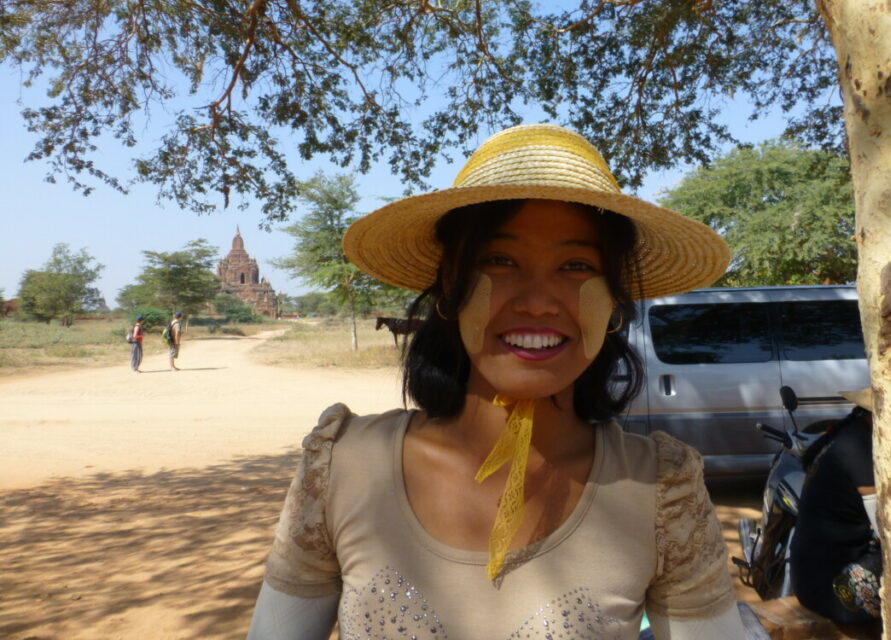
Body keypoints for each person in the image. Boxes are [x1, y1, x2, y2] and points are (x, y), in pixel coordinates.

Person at [246, 124, 747, 640]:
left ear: (614, 303)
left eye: (576, 265)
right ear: (451, 286)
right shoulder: (342, 466)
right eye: (500, 261)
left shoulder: (662, 492)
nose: (537, 300)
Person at [790, 388, 881, 628]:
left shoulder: (847, 435)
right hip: (834, 590)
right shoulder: (859, 447)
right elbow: (886, 530)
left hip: (808, 579)